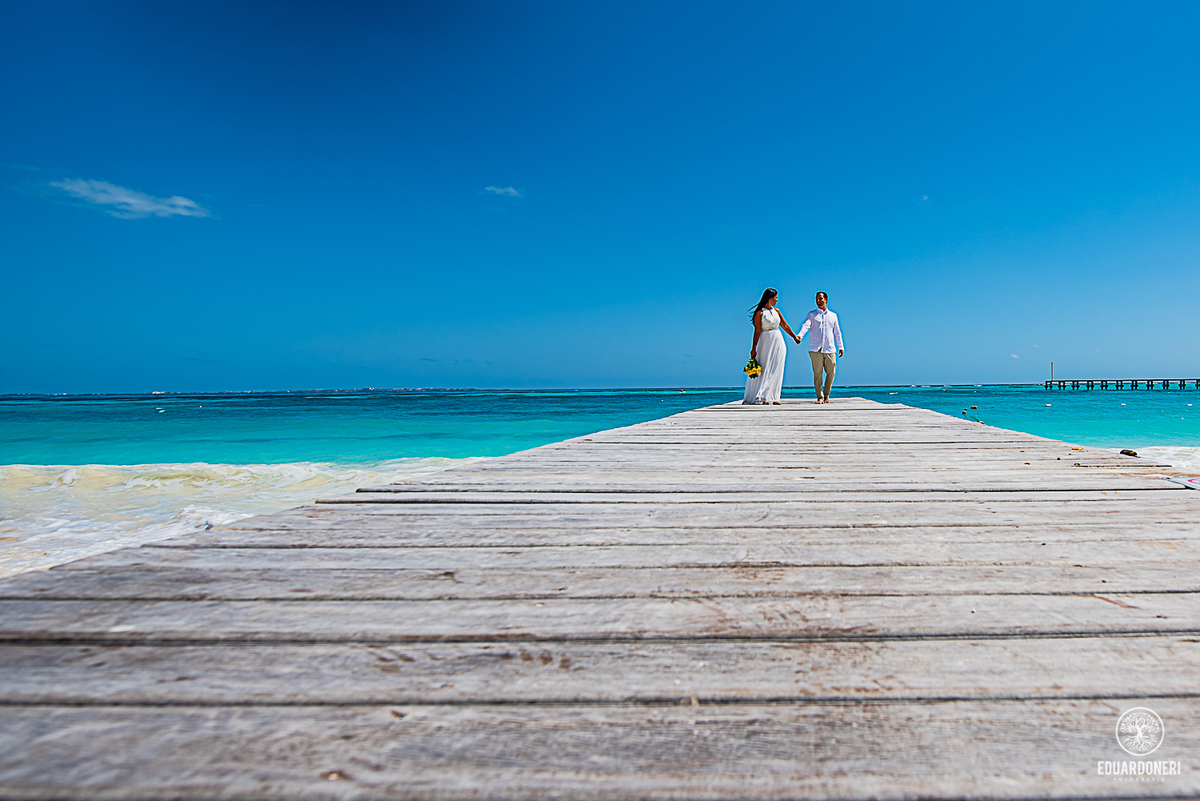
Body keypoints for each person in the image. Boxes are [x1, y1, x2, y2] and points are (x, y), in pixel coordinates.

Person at [743, 288, 801, 405]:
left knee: (777, 367)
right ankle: (762, 396)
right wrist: (753, 347)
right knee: (765, 367)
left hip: (778, 340)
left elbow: (784, 325)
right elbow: (757, 331)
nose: (777, 300)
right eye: (775, 297)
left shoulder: (777, 311)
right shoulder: (760, 313)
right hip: (765, 341)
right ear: (770, 298)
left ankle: (774, 396)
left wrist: (794, 337)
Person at [794, 291, 844, 404]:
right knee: (818, 373)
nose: (818, 301)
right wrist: (800, 336)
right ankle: (820, 397)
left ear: (826, 299)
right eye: (816, 299)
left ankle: (826, 394)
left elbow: (837, 332)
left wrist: (841, 346)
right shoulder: (811, 314)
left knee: (831, 372)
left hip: (830, 348)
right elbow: (805, 325)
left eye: (820, 298)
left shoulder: (833, 316)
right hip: (815, 349)